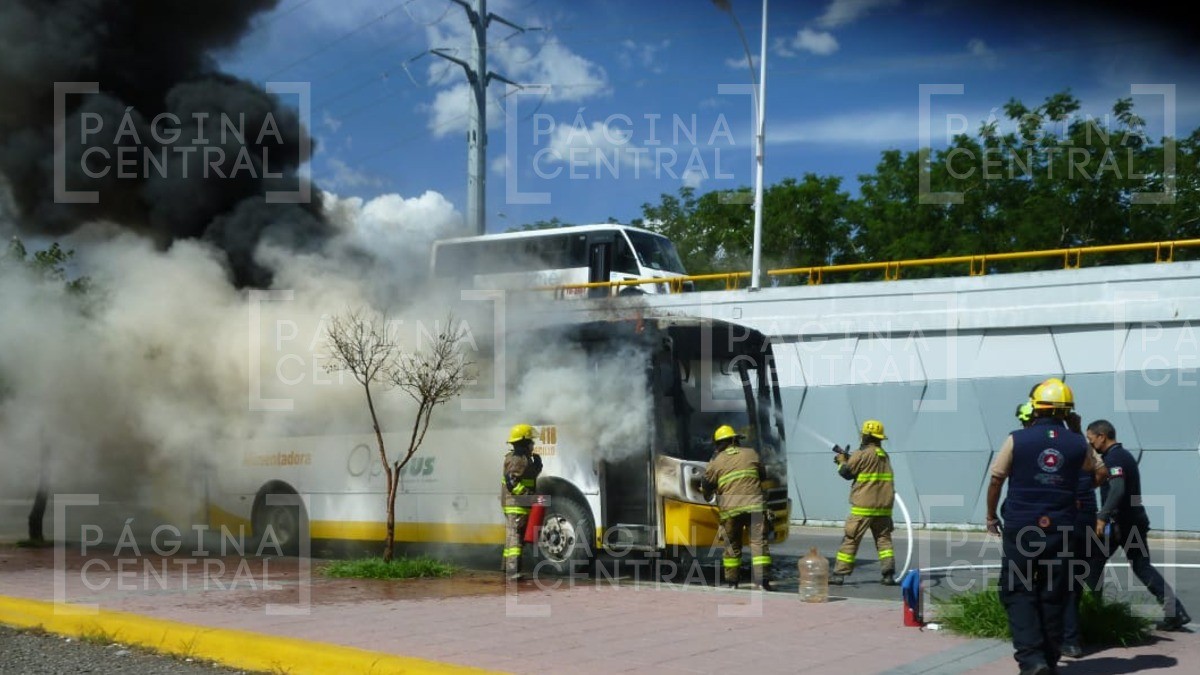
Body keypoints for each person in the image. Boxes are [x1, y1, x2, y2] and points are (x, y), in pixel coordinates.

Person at [986, 378, 1100, 675]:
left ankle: (1032, 659)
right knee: (1054, 592)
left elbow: (997, 478)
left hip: (1022, 526)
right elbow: (1099, 474)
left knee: (1017, 589)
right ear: (1068, 412)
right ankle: (1048, 659)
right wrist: (1077, 433)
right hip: (1061, 528)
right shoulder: (1077, 443)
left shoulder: (1016, 438)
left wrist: (990, 516)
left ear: (1034, 407)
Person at [1086, 419, 1191, 632]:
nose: (1090, 444)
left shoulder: (1115, 458)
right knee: (1142, 566)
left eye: (1091, 439)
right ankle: (1175, 611)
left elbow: (1117, 489)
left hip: (1119, 524)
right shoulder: (1122, 456)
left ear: (1101, 436)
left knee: (1092, 563)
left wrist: (1102, 516)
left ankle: (1093, 613)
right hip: (1133, 521)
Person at [700, 424, 772, 590]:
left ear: (719, 444)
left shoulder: (716, 462)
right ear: (734, 440)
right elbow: (763, 475)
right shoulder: (751, 453)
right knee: (758, 543)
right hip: (755, 506)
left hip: (730, 510)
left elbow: (707, 483)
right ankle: (763, 583)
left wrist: (707, 494)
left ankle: (733, 583)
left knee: (731, 546)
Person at [830, 419, 896, 586]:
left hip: (863, 508)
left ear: (865, 436)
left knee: (851, 539)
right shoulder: (883, 455)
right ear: (880, 438)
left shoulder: (861, 454)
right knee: (884, 541)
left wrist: (841, 461)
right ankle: (888, 575)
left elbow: (846, 473)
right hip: (884, 508)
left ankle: (839, 575)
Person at [501, 423, 542, 581]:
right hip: (516, 503)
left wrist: (537, 465)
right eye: (531, 441)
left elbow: (527, 477)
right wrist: (528, 496)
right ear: (524, 443)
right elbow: (512, 483)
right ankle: (513, 572)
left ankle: (507, 568)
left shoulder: (522, 458)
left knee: (512, 536)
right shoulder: (517, 459)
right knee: (516, 538)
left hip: (517, 503)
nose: (533, 444)